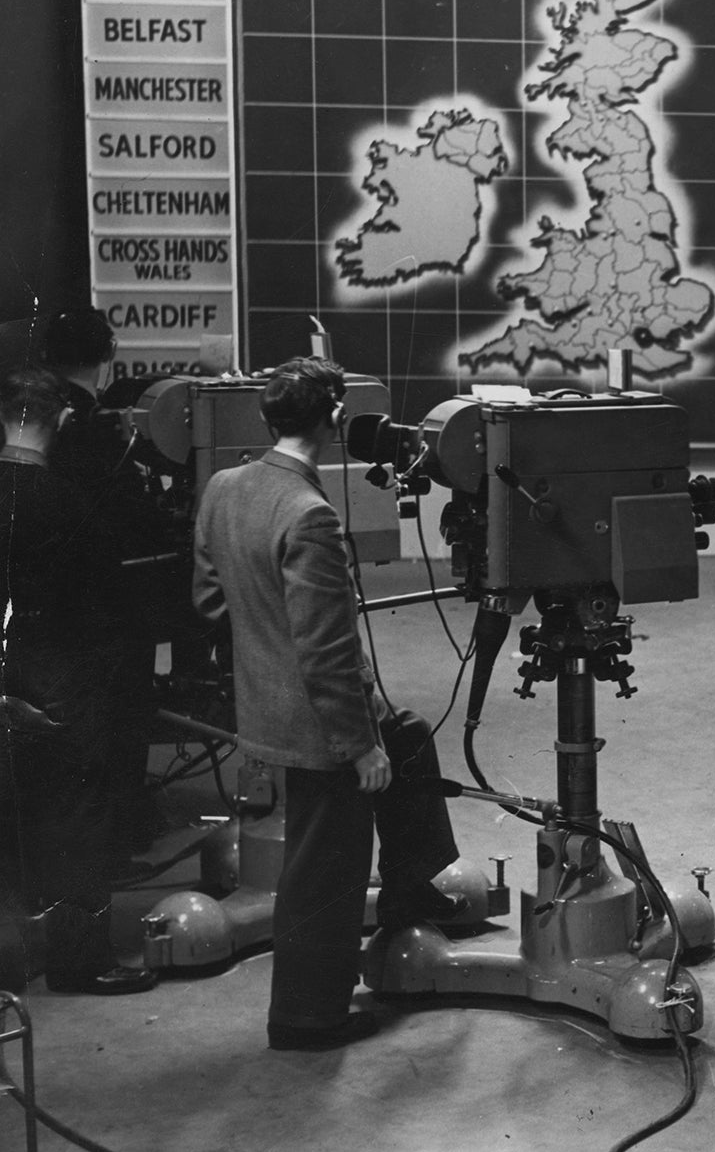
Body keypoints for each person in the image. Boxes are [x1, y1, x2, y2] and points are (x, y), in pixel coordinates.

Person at [192, 357, 461, 1051]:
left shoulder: (223, 488)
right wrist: (356, 745)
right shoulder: (309, 514)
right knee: (325, 872)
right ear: (335, 417)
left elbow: (209, 601)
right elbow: (325, 651)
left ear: (266, 416)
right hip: (316, 723)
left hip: (266, 708)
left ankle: (410, 885)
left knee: (408, 735)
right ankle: (308, 1018)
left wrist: (265, 646)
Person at [0, 368, 157, 994]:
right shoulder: (65, 502)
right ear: (58, 419)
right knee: (75, 808)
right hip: (57, 666)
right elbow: (107, 596)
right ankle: (80, 959)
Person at [37, 306, 175, 855]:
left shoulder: (28, 411)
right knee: (121, 703)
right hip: (102, 598)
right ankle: (119, 825)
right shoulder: (96, 427)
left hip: (39, 594)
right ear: (109, 353)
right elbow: (129, 518)